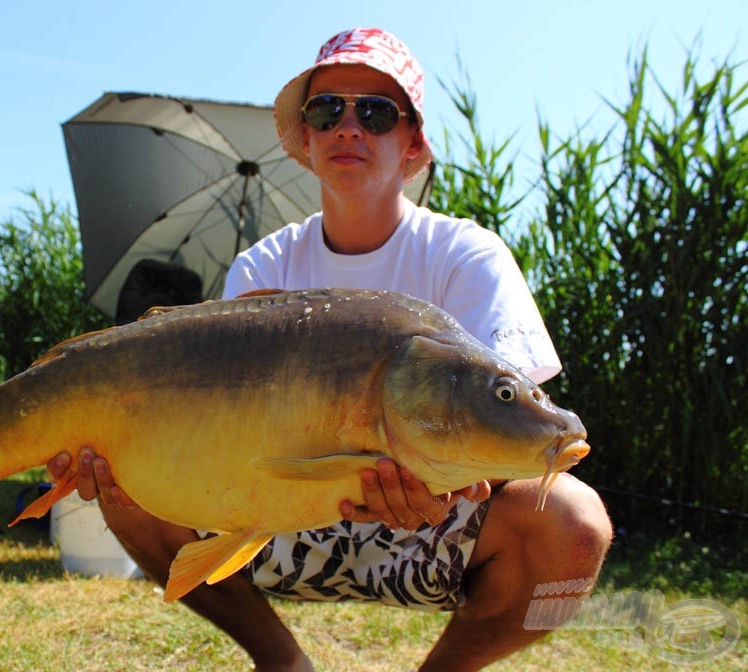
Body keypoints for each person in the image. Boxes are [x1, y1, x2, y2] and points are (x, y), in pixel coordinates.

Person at [47, 27, 612, 671]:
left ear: (413, 143)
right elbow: (230, 442)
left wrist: (445, 491)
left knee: (574, 520)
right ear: (308, 141)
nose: (348, 127)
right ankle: (282, 662)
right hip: (279, 518)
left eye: (375, 112)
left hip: (429, 529)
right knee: (124, 481)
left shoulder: (466, 255)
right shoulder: (266, 265)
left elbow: (502, 417)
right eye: (326, 111)